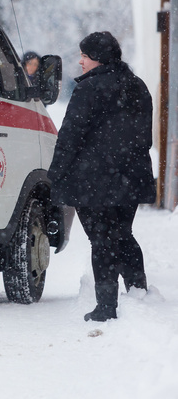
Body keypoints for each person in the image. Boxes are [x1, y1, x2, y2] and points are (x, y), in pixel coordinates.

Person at [48, 31, 155, 322]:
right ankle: (138, 291)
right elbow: (144, 137)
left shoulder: (90, 89)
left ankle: (106, 306)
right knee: (122, 234)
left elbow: (69, 137)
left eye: (85, 56)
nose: (80, 61)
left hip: (94, 180)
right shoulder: (137, 86)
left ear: (99, 58)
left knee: (101, 240)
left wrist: (55, 174)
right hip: (130, 176)